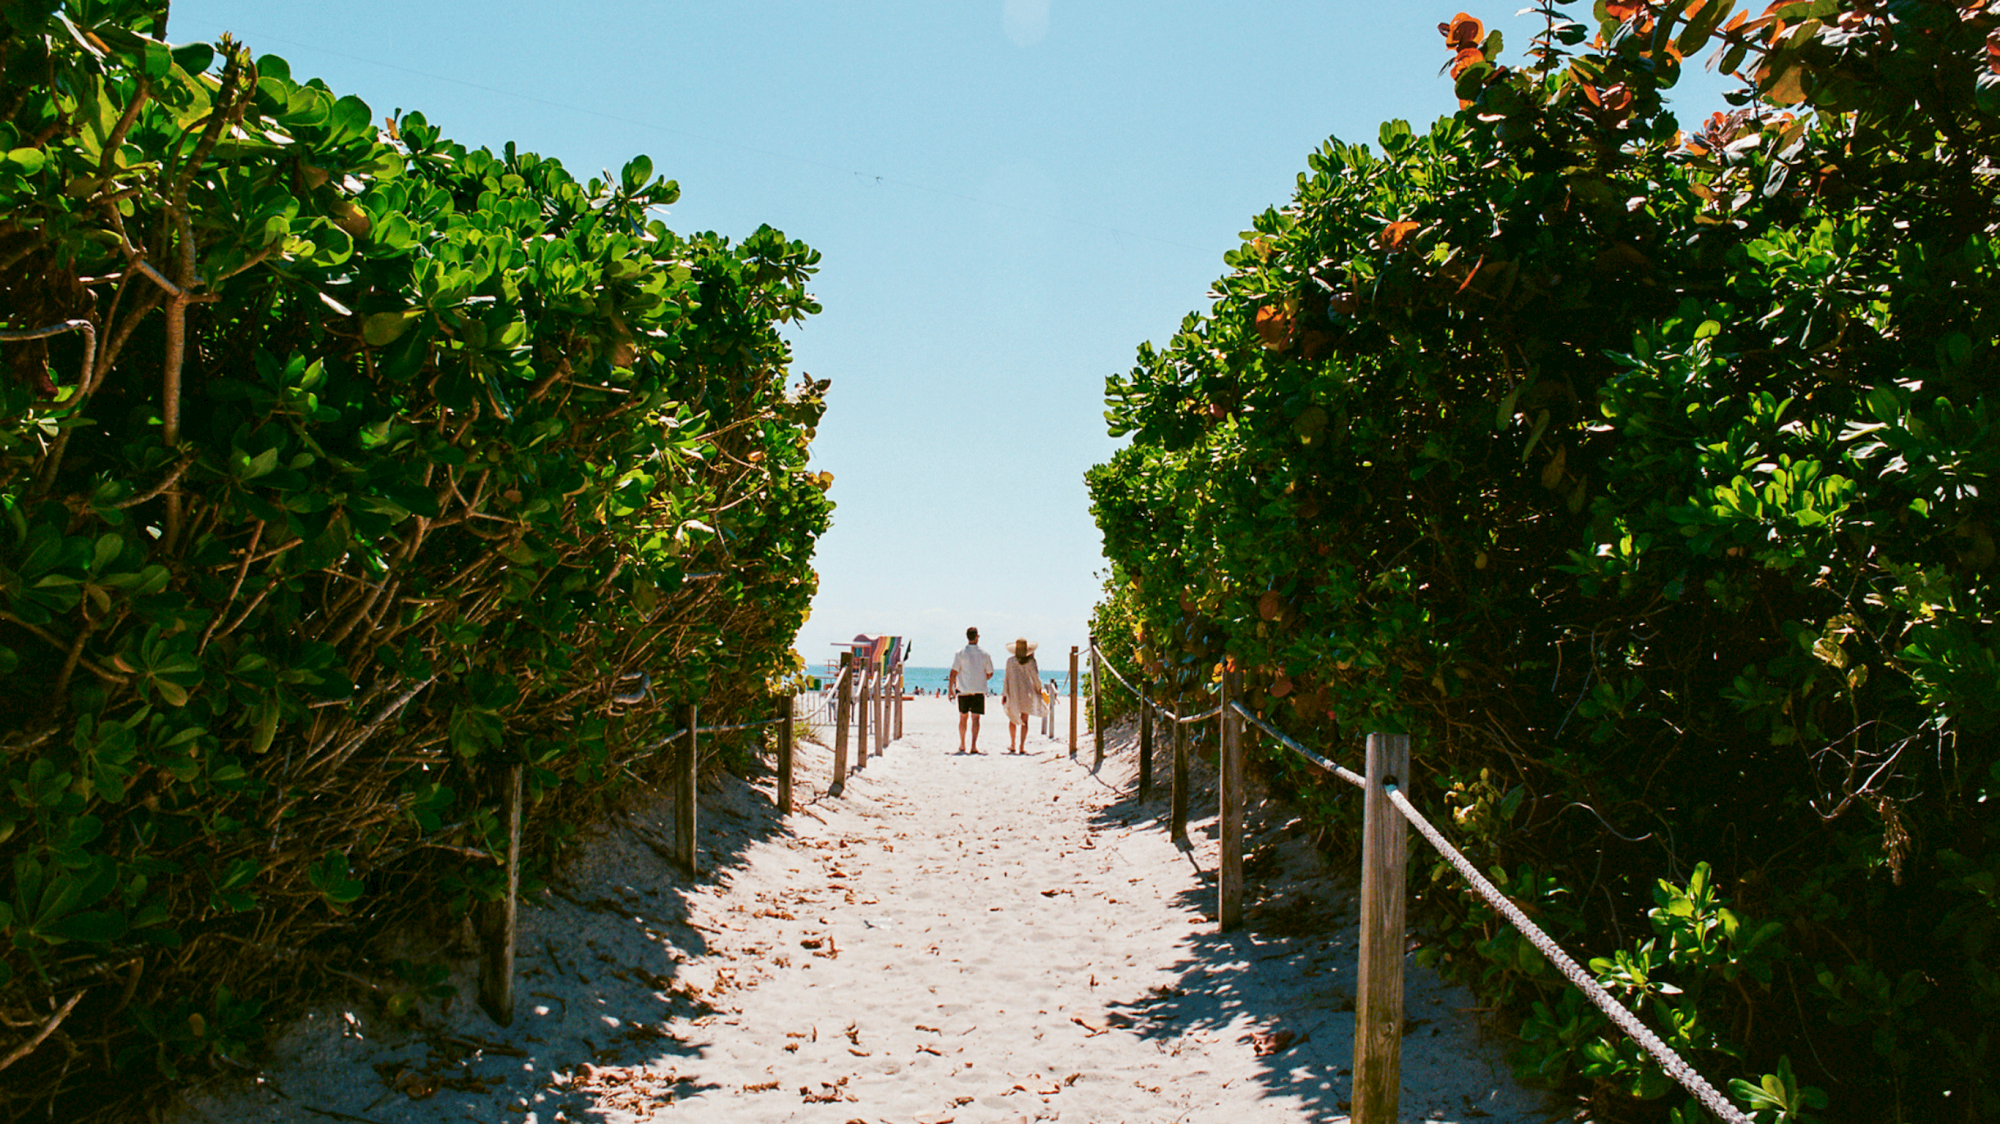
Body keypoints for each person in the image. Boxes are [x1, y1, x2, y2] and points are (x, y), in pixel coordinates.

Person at [947, 626, 994, 753]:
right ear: (977, 637)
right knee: (976, 719)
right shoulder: (985, 654)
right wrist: (980, 678)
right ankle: (973, 746)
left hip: (963, 690)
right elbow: (990, 673)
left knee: (963, 718)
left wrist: (950, 689)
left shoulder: (960, 653)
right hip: (978, 690)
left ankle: (962, 744)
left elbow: (953, 673)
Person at [1001, 638, 1043, 753]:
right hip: (1027, 693)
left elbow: (1007, 679)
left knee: (1013, 718)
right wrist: (1039, 689)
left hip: (1013, 692)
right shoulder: (1031, 662)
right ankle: (1021, 746)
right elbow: (1036, 678)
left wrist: (1004, 694)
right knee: (1025, 720)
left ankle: (1013, 743)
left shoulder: (1010, 662)